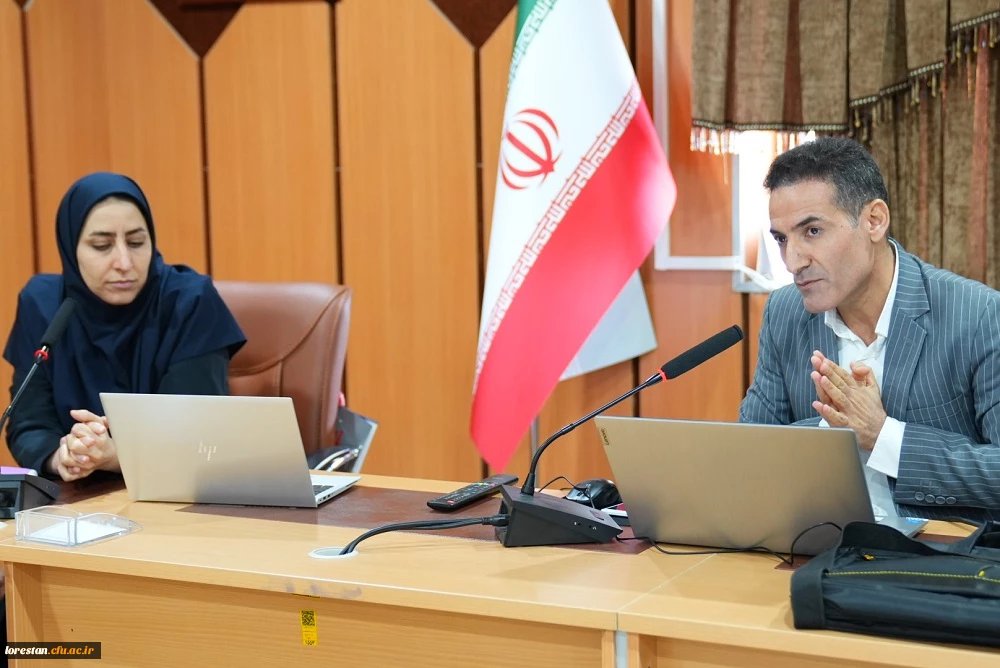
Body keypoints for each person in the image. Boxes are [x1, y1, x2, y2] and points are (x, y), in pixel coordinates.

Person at [739, 136, 1000, 524]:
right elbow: (751, 453)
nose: (792, 262)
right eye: (781, 238)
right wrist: (831, 430)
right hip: (816, 544)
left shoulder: (978, 315)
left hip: (938, 550)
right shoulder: (784, 312)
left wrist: (884, 438)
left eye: (812, 231)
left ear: (874, 220)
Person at [3, 172, 246, 482]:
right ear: (70, 248)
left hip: (178, 497)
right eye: (102, 245)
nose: (124, 262)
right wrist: (64, 455)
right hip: (73, 497)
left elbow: (199, 437)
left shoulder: (189, 302)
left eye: (136, 242)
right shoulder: (43, 305)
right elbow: (28, 424)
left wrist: (114, 456)